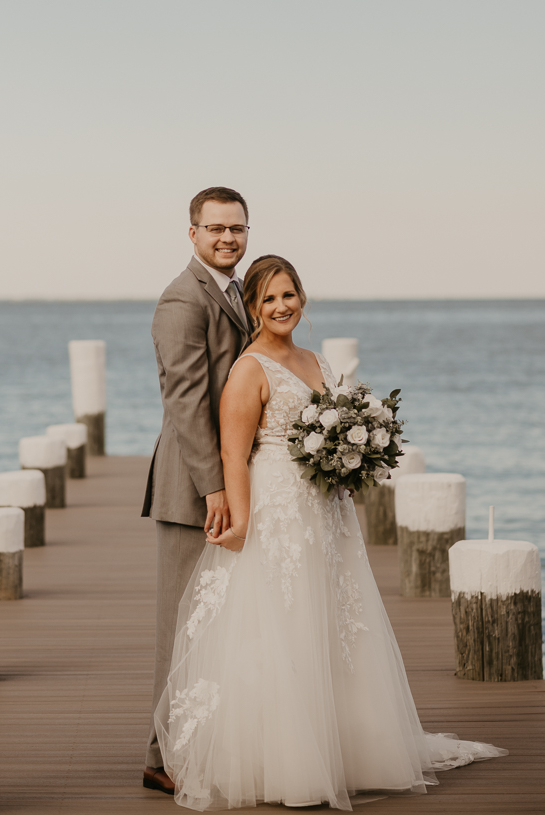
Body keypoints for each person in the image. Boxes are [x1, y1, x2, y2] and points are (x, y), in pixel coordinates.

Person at [154, 255, 507, 810]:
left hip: (325, 511)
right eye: (268, 299)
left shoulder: (314, 360)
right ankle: (285, 760)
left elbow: (334, 424)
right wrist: (240, 520)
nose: (281, 306)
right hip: (276, 510)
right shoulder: (249, 368)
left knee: (333, 621)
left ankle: (345, 747)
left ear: (302, 298)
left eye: (289, 295)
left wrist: (352, 461)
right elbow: (233, 451)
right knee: (282, 620)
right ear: (252, 307)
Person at [142, 187, 252, 794]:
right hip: (191, 494)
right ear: (192, 233)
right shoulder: (183, 299)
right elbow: (185, 402)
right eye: (215, 229)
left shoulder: (234, 291)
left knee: (219, 623)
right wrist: (214, 488)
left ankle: (203, 740)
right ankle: (160, 755)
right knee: (181, 625)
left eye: (236, 228)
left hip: (229, 485)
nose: (227, 238)